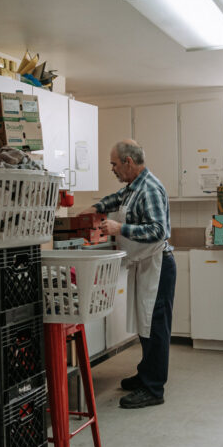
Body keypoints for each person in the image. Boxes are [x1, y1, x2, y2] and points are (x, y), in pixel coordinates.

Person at [82, 139, 175, 408]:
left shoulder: (150, 189)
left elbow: (159, 230)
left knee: (156, 327)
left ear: (128, 162)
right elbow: (117, 198)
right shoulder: (133, 188)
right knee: (145, 323)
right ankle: (146, 374)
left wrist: (120, 229)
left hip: (158, 265)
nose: (112, 169)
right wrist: (97, 207)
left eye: (114, 163)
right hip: (144, 265)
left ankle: (153, 389)